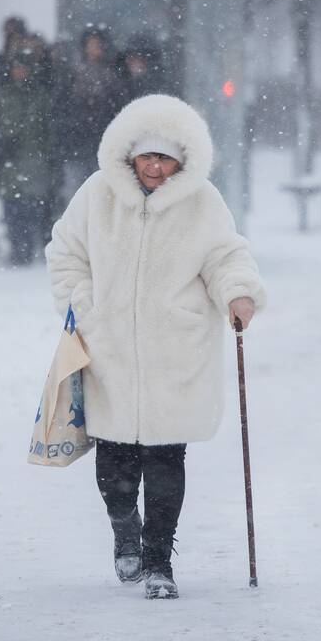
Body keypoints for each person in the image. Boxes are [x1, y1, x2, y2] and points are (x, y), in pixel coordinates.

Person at [45, 93, 268, 599]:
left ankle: (158, 559)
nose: (154, 166)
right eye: (146, 155)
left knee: (167, 457)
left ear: (181, 161)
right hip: (111, 348)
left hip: (177, 349)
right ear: (129, 155)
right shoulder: (96, 195)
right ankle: (125, 527)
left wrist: (238, 292)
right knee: (115, 459)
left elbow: (225, 255)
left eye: (165, 158)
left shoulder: (202, 201)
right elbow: (65, 252)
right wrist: (84, 303)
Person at [0, 48, 54, 266]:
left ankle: (26, 247)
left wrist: (45, 153)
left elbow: (47, 128)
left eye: (23, 68)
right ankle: (18, 248)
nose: (19, 72)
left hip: (34, 159)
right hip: (12, 160)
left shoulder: (40, 96)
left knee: (31, 206)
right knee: (12, 206)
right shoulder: (2, 95)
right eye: (16, 68)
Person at [56, 26, 125, 206]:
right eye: (90, 45)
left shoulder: (113, 77)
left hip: (102, 146)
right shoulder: (72, 75)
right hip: (76, 146)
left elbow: (117, 110)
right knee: (76, 196)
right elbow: (61, 108)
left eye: (97, 45)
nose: (93, 50)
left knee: (102, 198)